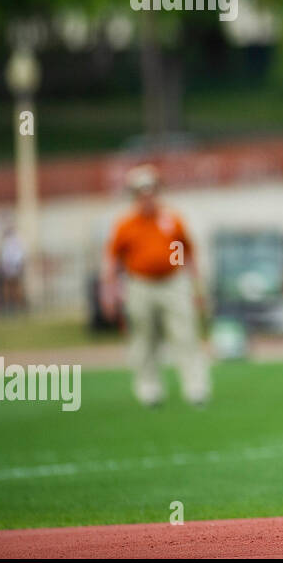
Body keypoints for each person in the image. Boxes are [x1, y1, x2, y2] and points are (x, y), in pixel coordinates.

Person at [100, 164, 210, 407]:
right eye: (142, 191)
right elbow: (112, 260)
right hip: (140, 284)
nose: (147, 196)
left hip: (172, 281)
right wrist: (109, 292)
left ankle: (195, 387)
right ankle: (149, 389)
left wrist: (193, 284)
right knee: (144, 337)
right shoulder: (125, 225)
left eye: (151, 190)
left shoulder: (171, 219)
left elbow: (184, 252)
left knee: (184, 333)